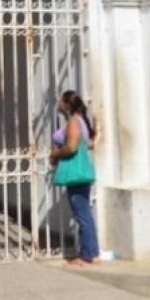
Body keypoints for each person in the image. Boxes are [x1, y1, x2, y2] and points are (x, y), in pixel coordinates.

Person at [51, 90, 99, 266]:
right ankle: (91, 252)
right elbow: (90, 143)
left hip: (75, 173)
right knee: (84, 213)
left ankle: (86, 256)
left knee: (82, 214)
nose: (58, 102)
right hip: (82, 170)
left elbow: (71, 147)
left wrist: (56, 154)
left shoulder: (73, 122)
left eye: (60, 100)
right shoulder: (81, 121)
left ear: (67, 105)